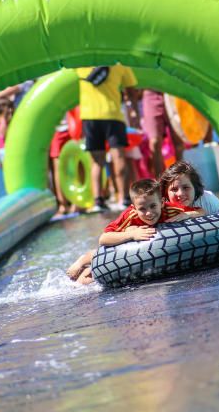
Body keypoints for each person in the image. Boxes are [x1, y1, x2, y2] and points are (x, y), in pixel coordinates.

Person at [67, 178, 204, 284]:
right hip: (120, 245)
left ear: (162, 203)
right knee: (86, 281)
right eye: (142, 209)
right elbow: (103, 239)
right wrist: (131, 234)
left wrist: (188, 215)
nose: (149, 213)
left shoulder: (170, 209)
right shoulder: (130, 215)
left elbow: (202, 212)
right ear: (134, 208)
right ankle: (81, 261)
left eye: (153, 206)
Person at [77, 64, 139, 212]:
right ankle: (123, 198)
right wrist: (134, 111)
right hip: (113, 115)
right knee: (119, 157)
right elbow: (131, 88)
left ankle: (98, 201)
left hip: (90, 116)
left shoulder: (81, 62)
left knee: (97, 161)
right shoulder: (118, 62)